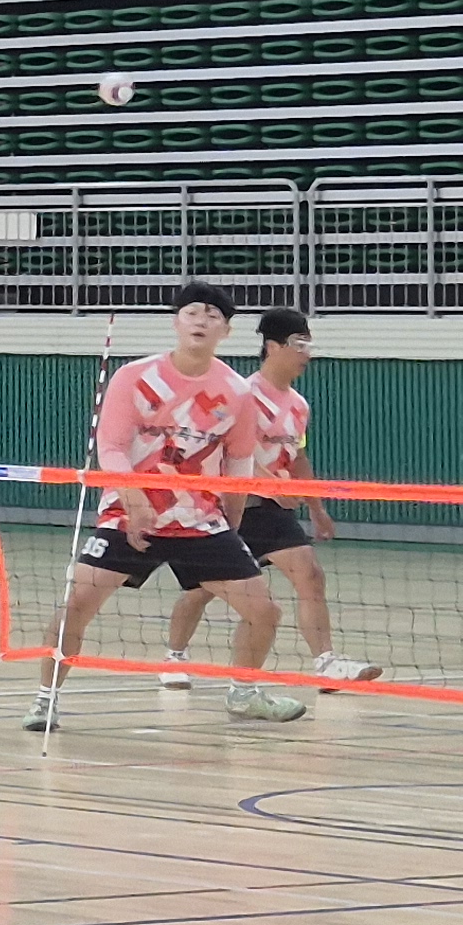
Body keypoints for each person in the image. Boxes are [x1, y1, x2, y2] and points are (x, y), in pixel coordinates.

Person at [34, 284, 305, 728]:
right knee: (77, 603)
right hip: (127, 514)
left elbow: (239, 461)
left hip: (199, 520)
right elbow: (111, 447)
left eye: (213, 316)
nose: (201, 321)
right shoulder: (134, 377)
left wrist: (232, 520)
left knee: (264, 612)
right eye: (193, 312)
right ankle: (46, 699)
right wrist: (133, 500)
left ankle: (243, 693)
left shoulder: (236, 392)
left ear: (226, 331)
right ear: (176, 321)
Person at [167, 308, 377, 688]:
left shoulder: (298, 405)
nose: (306, 354)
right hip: (231, 506)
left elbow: (297, 457)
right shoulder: (242, 394)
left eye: (309, 345)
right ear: (272, 347)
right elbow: (231, 452)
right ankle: (174, 657)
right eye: (298, 344)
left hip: (271, 511)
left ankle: (326, 662)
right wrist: (270, 486)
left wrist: (316, 508)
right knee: (200, 592)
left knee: (310, 575)